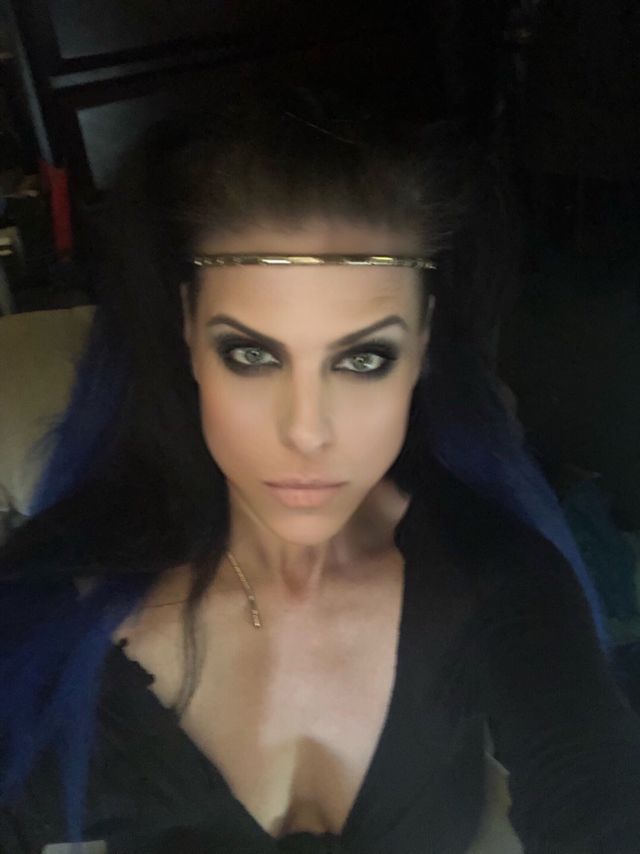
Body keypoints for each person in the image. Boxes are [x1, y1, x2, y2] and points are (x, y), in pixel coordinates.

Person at [1, 77, 639, 854]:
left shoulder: (503, 579)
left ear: (423, 345)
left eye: (363, 359)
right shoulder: (54, 599)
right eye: (252, 355)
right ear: (188, 332)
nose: (306, 431)